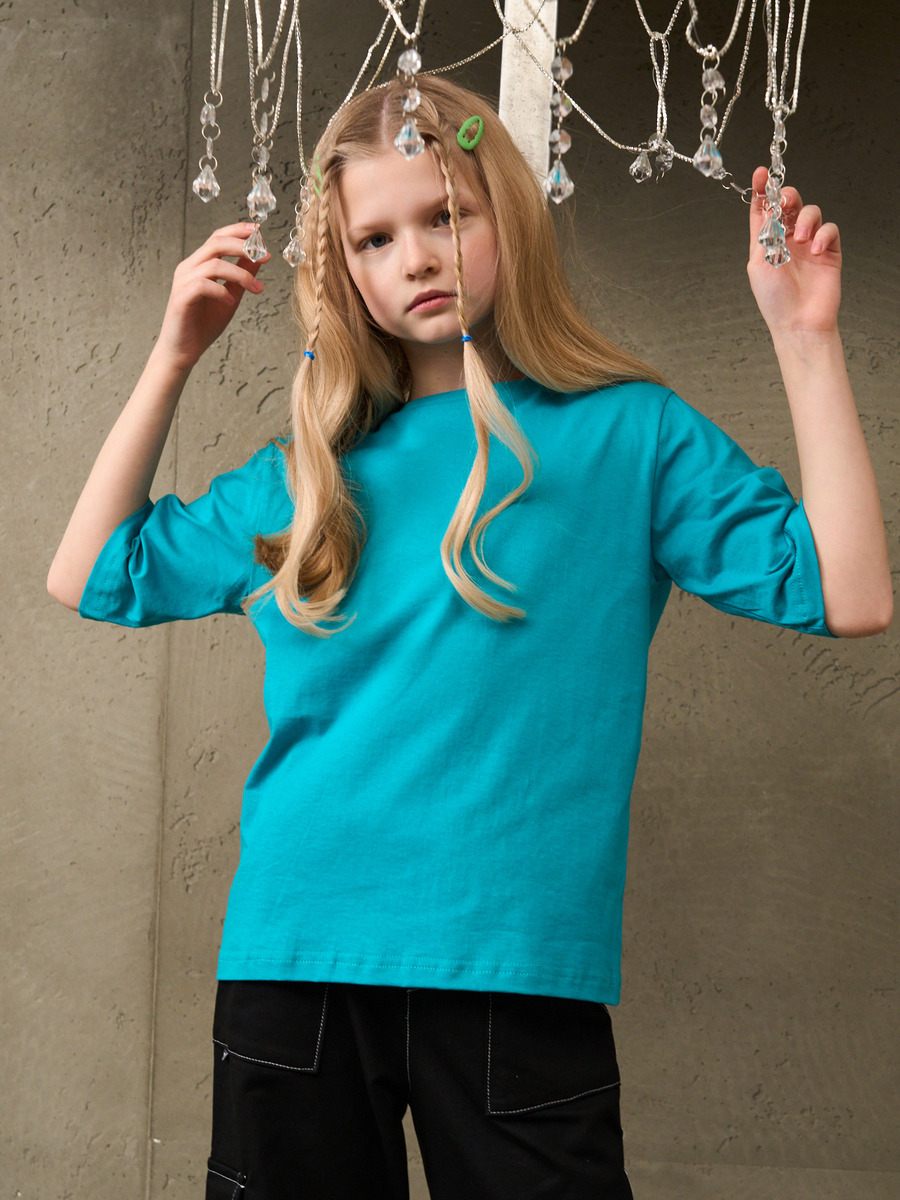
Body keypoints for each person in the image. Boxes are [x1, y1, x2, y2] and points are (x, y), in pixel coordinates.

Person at [47, 74, 891, 1200]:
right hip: (296, 959)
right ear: (346, 269)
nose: (416, 258)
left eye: (447, 215)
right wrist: (173, 355)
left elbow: (848, 594)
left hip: (517, 968)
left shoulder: (630, 433)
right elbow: (91, 575)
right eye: (376, 238)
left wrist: (805, 336)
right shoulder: (308, 473)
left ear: (508, 217)